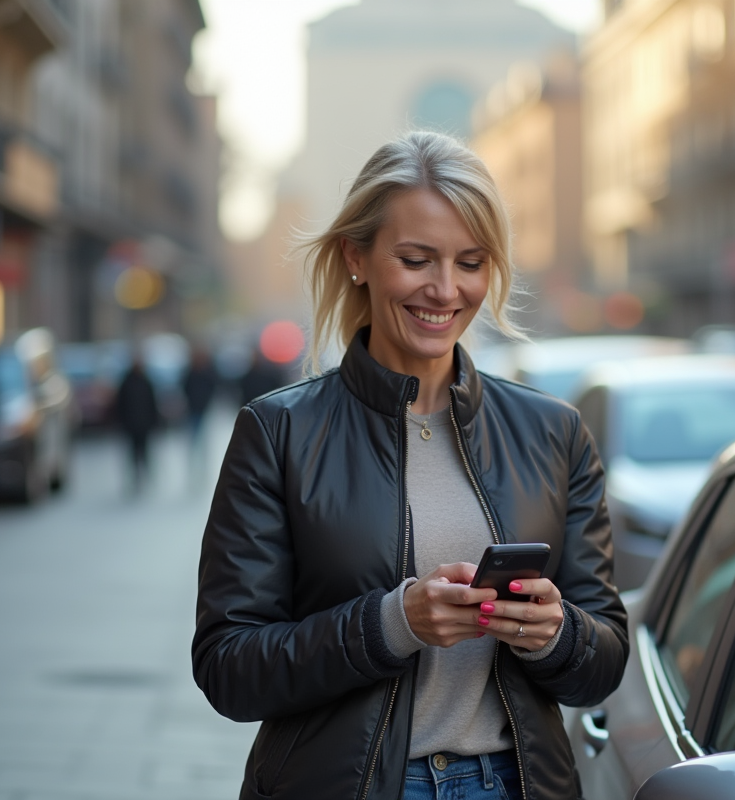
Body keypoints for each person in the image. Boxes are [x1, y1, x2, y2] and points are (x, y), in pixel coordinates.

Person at [192, 132, 628, 800]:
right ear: (357, 256)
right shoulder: (278, 432)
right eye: (417, 259)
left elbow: (602, 663)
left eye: (471, 262)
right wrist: (393, 623)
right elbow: (228, 666)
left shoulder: (555, 432)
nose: (446, 290)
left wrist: (557, 633)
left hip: (515, 784)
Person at [114, 356, 160, 492]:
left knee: (144, 451)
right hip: (131, 424)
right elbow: (120, 404)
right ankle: (136, 477)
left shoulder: (146, 381)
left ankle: (146, 475)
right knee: (133, 452)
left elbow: (152, 403)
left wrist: (154, 421)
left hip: (144, 424)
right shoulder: (126, 382)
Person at [181, 346, 219, 450]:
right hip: (194, 405)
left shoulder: (205, 372)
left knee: (199, 427)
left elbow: (212, 385)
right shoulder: (191, 372)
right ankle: (195, 446)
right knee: (195, 427)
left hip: (202, 404)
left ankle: (199, 446)